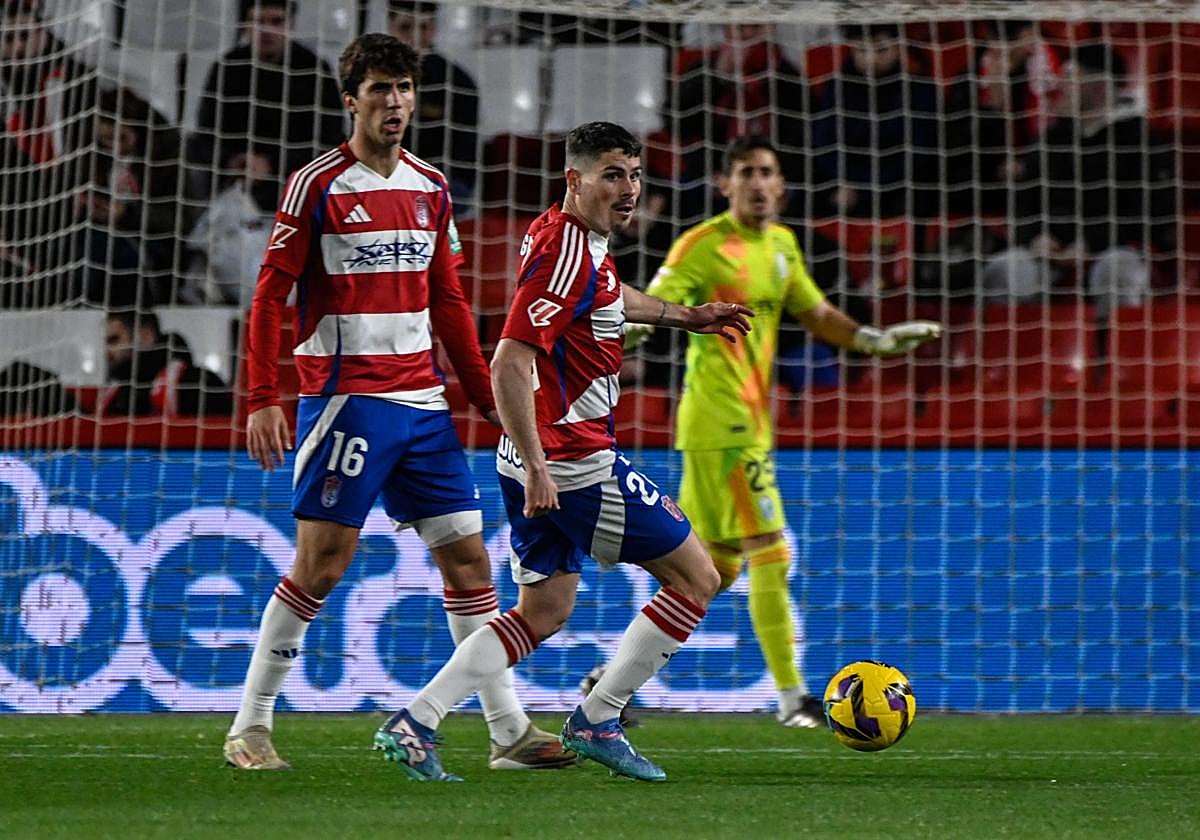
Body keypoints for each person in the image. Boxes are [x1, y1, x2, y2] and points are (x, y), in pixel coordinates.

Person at [224, 32, 573, 774]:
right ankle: (250, 727)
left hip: (423, 406)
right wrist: (263, 396)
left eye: (404, 89)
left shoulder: (432, 187)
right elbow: (268, 296)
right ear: (351, 100)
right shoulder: (316, 184)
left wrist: (488, 400)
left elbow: (446, 302)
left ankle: (507, 731)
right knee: (323, 564)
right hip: (347, 401)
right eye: (380, 89)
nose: (395, 102)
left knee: (472, 563)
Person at [373, 122, 755, 783]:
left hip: (530, 460)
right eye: (613, 174)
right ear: (574, 179)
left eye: (635, 175)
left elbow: (604, 299)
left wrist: (682, 315)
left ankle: (416, 721)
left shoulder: (563, 234)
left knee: (543, 611)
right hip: (574, 460)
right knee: (699, 578)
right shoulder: (570, 254)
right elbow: (508, 360)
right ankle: (601, 715)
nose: (629, 188)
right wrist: (543, 463)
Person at [641, 135, 940, 727]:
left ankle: (610, 684)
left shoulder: (781, 245)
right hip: (719, 422)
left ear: (781, 185)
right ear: (725, 184)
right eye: (745, 172)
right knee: (771, 552)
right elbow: (655, 304)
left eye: (767, 172)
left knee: (712, 573)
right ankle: (792, 697)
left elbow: (817, 313)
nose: (757, 183)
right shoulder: (702, 245)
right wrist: (625, 333)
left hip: (746, 425)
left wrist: (873, 341)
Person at [981, 44, 1175, 310]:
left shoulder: (1142, 142)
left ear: (1098, 86)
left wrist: (1091, 243)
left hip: (1114, 247)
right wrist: (1037, 236)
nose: (1060, 86)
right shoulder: (1049, 141)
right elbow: (1023, 203)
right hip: (1049, 250)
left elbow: (1151, 212)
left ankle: (1115, 348)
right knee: (1005, 271)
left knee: (1117, 273)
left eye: (1071, 78)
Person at [190, 0, 344, 209]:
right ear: (245, 26)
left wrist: (272, 164)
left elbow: (331, 138)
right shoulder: (227, 67)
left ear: (291, 24)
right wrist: (233, 161)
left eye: (276, 21)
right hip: (235, 181)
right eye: (258, 21)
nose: (267, 30)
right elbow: (205, 133)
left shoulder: (313, 69)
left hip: (297, 180)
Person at [811, 23, 940, 220]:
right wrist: (847, 182)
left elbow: (918, 152)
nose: (871, 59)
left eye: (881, 49)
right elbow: (825, 146)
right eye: (862, 49)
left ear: (897, 46)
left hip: (901, 187)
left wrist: (865, 188)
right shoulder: (836, 88)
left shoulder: (920, 90)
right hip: (845, 185)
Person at [387, 1, 480, 202]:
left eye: (424, 27)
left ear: (434, 29)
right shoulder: (374, 79)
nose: (415, 36)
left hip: (441, 180)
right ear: (391, 29)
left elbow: (464, 153)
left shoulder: (457, 81)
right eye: (406, 27)